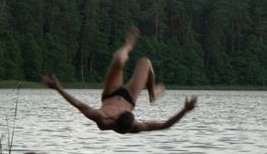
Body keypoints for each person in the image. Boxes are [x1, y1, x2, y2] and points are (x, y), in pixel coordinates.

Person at [43, 26, 197, 134]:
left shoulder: (101, 118)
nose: (120, 110)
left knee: (118, 59)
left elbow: (78, 104)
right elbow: (165, 125)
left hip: (110, 94)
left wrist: (58, 88)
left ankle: (128, 45)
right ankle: (153, 94)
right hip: (129, 98)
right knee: (145, 62)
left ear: (115, 118)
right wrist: (185, 110)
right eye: (122, 112)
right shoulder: (135, 126)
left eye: (120, 112)